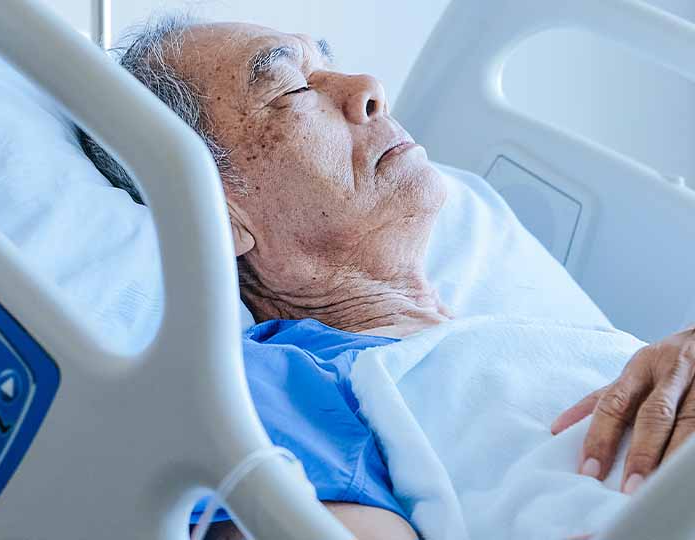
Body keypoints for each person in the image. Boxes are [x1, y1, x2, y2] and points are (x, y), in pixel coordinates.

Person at [80, 15, 695, 540]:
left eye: (329, 64)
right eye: (291, 89)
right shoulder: (282, 387)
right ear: (217, 215)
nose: (369, 88)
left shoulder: (535, 335)